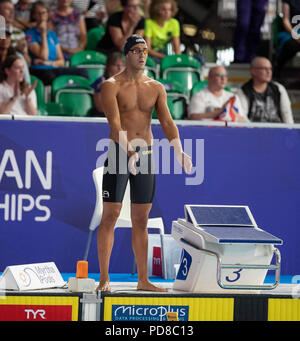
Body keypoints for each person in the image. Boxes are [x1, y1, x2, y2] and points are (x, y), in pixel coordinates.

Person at [97, 34, 192, 292]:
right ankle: (104, 279)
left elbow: (168, 122)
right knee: (111, 215)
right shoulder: (111, 86)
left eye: (146, 51)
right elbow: (115, 126)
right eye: (137, 50)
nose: (142, 54)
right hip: (119, 154)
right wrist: (129, 152)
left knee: (142, 219)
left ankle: (143, 280)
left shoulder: (156, 87)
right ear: (127, 54)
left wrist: (179, 151)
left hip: (146, 155)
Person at [26, 1, 87, 85]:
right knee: (51, 76)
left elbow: (61, 61)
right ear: (33, 15)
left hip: (52, 67)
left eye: (44, 13)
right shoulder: (29, 34)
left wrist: (49, 63)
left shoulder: (52, 34)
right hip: (39, 70)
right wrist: (43, 33)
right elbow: (44, 56)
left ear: (47, 14)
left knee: (83, 72)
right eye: (38, 13)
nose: (41, 16)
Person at [236, 57, 294, 123]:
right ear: (253, 71)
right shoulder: (243, 91)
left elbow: (286, 114)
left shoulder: (278, 89)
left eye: (270, 69)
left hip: (277, 131)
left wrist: (290, 131)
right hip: (254, 131)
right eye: (264, 68)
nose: (268, 71)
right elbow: (243, 117)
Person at [90, 51, 125, 117]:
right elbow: (100, 108)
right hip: (103, 117)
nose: (120, 68)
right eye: (116, 65)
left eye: (122, 65)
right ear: (108, 66)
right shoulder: (101, 82)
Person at [0, 0, 31, 65]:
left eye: (13, 9)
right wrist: (15, 50)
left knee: (20, 56)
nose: (12, 12)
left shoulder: (20, 33)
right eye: (8, 9)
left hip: (16, 71)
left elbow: (28, 64)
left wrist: (23, 52)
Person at [275, 0, 300, 77]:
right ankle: (277, 69)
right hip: (291, 32)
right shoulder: (288, 1)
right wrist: (296, 36)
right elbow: (285, 20)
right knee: (292, 45)